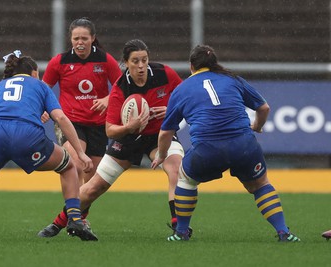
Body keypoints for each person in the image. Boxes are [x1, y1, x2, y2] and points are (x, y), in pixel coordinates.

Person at [0, 50, 97, 241]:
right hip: (26, 136)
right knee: (69, 166)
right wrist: (80, 152)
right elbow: (60, 117)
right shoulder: (39, 85)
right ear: (34, 73)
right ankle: (75, 220)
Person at [38, 39, 188, 238]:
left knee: (176, 169)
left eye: (144, 60)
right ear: (126, 63)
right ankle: (58, 223)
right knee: (93, 188)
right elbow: (110, 131)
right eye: (135, 61)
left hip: (159, 136)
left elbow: (188, 98)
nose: (141, 66)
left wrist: (171, 110)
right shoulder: (120, 88)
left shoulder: (164, 73)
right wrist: (129, 127)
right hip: (127, 138)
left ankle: (180, 227)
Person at [151, 44, 301, 242]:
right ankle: (284, 232)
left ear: (191, 66)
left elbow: (166, 132)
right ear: (215, 63)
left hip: (207, 151)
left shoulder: (182, 89)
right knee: (260, 184)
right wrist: (256, 126)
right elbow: (264, 107)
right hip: (244, 146)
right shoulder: (232, 79)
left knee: (186, 180)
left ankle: (182, 233)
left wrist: (161, 155)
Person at [42, 17, 122, 189]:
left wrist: (108, 99)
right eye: (76, 38)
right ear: (70, 39)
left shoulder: (105, 60)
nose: (80, 42)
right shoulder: (59, 62)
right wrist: (44, 109)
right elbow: (43, 90)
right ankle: (72, 212)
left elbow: (122, 87)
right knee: (76, 164)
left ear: (93, 38)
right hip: (70, 121)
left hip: (98, 124)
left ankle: (80, 212)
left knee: (92, 176)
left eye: (84, 38)